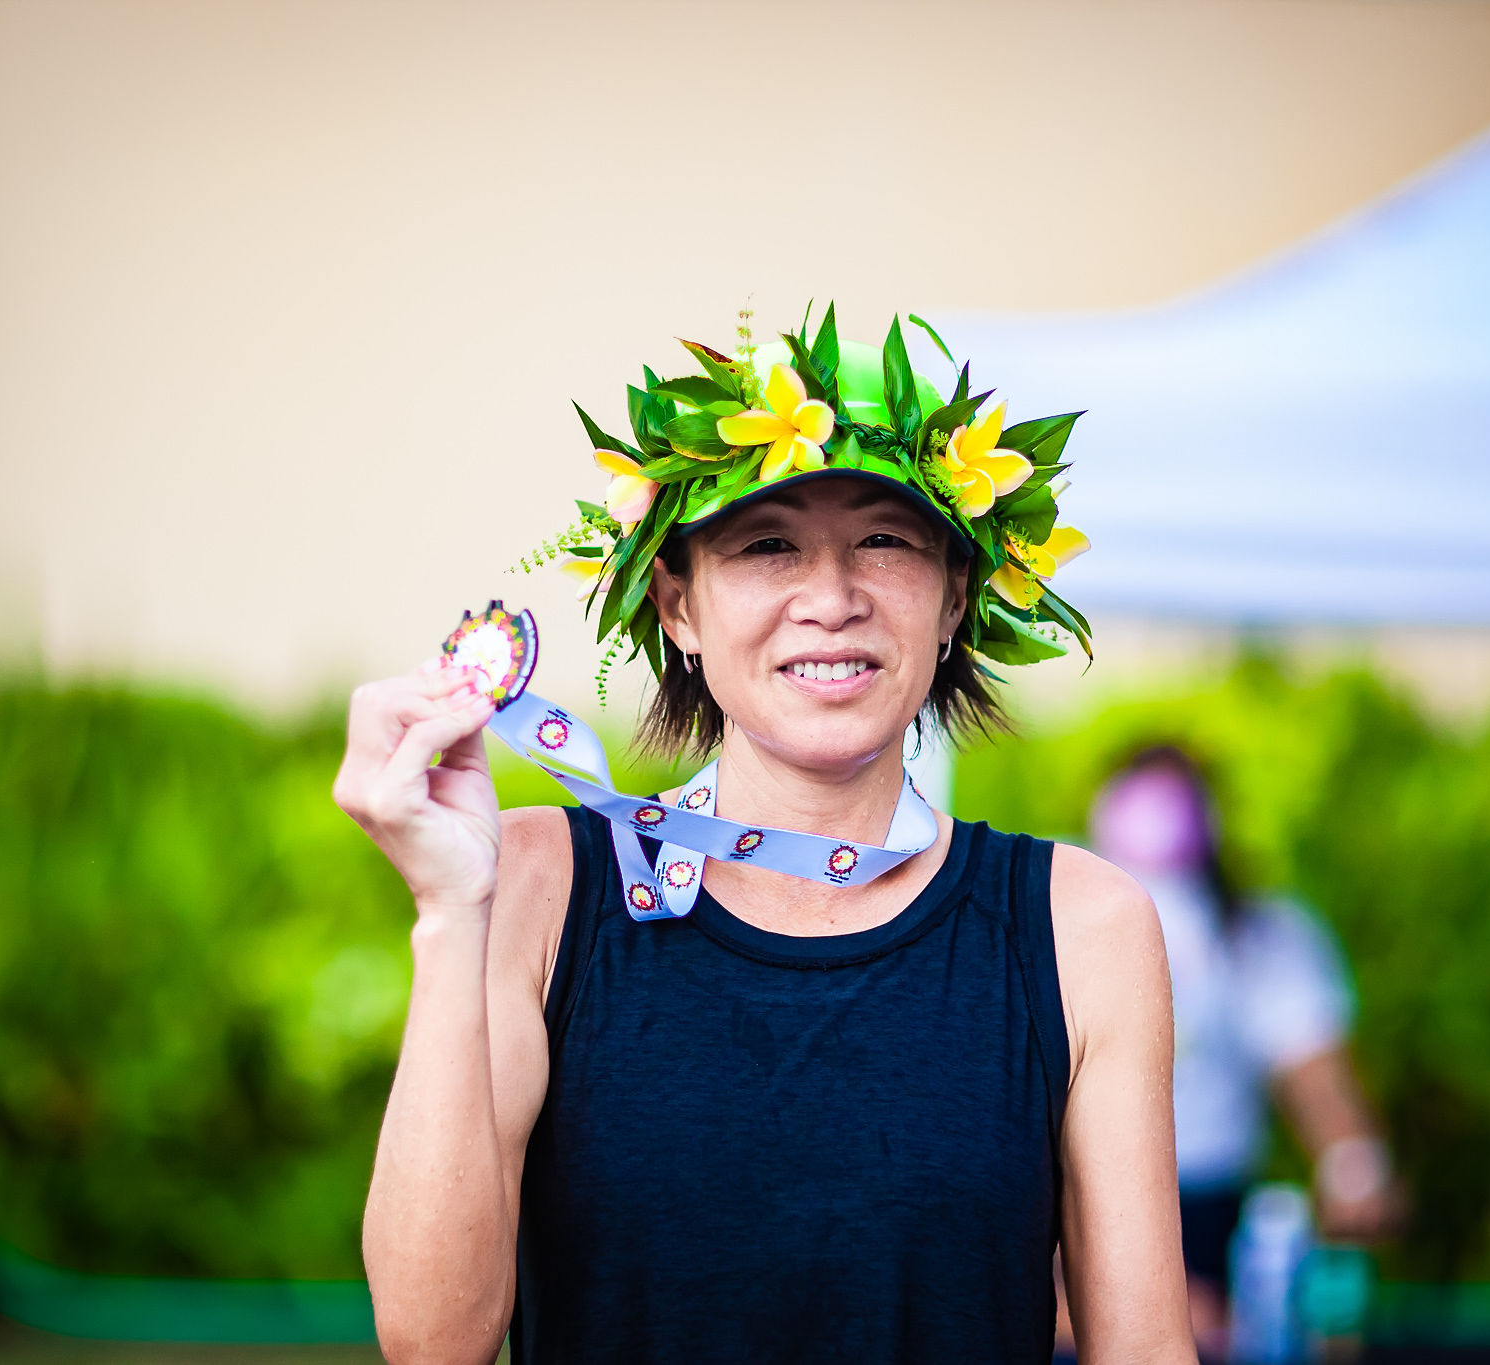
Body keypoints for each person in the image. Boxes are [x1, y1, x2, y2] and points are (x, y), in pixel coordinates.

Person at [333, 309, 1197, 1365]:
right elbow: (432, 1343)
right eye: (765, 545)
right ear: (676, 607)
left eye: (884, 540)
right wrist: (445, 911)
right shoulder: (534, 885)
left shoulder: (1079, 926)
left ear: (953, 598)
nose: (829, 599)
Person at [1084, 745, 1400, 1362]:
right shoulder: (1052, 907)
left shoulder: (1261, 931)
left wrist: (1354, 1165)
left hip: (1210, 1211)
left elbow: (1314, 1071)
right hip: (1075, 1210)